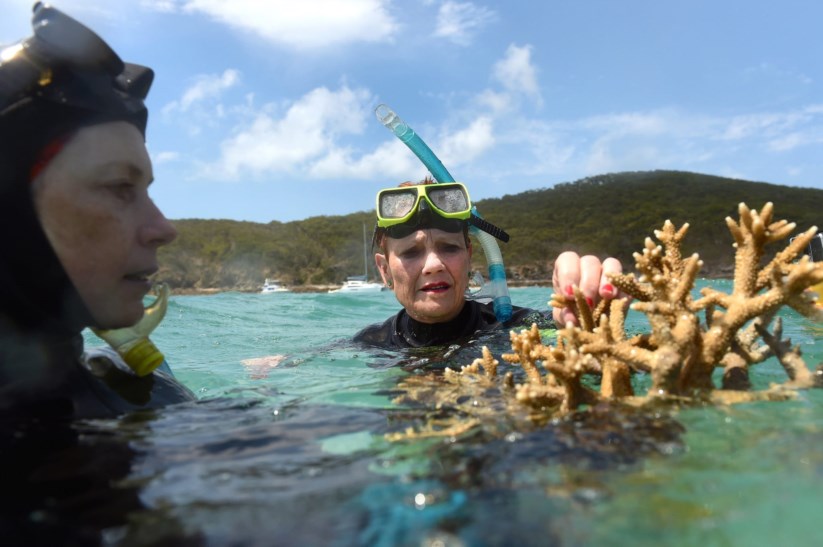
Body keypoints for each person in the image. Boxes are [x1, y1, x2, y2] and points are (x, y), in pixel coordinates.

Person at [0, 3, 196, 423]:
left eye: (146, 190)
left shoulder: (137, 389)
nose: (165, 228)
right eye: (119, 188)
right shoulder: (141, 406)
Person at [353, 179, 624, 348]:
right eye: (411, 252)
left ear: (469, 255)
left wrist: (589, 321)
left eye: (449, 247)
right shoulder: (370, 344)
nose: (433, 265)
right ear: (385, 270)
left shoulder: (517, 328)